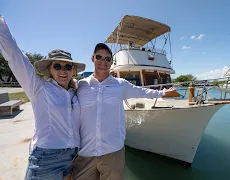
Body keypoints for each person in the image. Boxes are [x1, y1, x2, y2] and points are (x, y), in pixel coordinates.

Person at [72, 43, 175, 180]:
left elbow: (142, 91)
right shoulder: (81, 85)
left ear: (111, 62)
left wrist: (162, 93)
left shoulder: (120, 84)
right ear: (93, 59)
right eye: (99, 57)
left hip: (113, 151)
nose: (103, 61)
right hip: (85, 152)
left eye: (107, 59)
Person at [0, 16, 86, 180]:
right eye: (58, 66)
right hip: (46, 160)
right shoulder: (39, 88)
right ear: (50, 69)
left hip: (72, 158)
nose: (63, 70)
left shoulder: (75, 93)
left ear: (73, 70)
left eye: (68, 66)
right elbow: (15, 56)